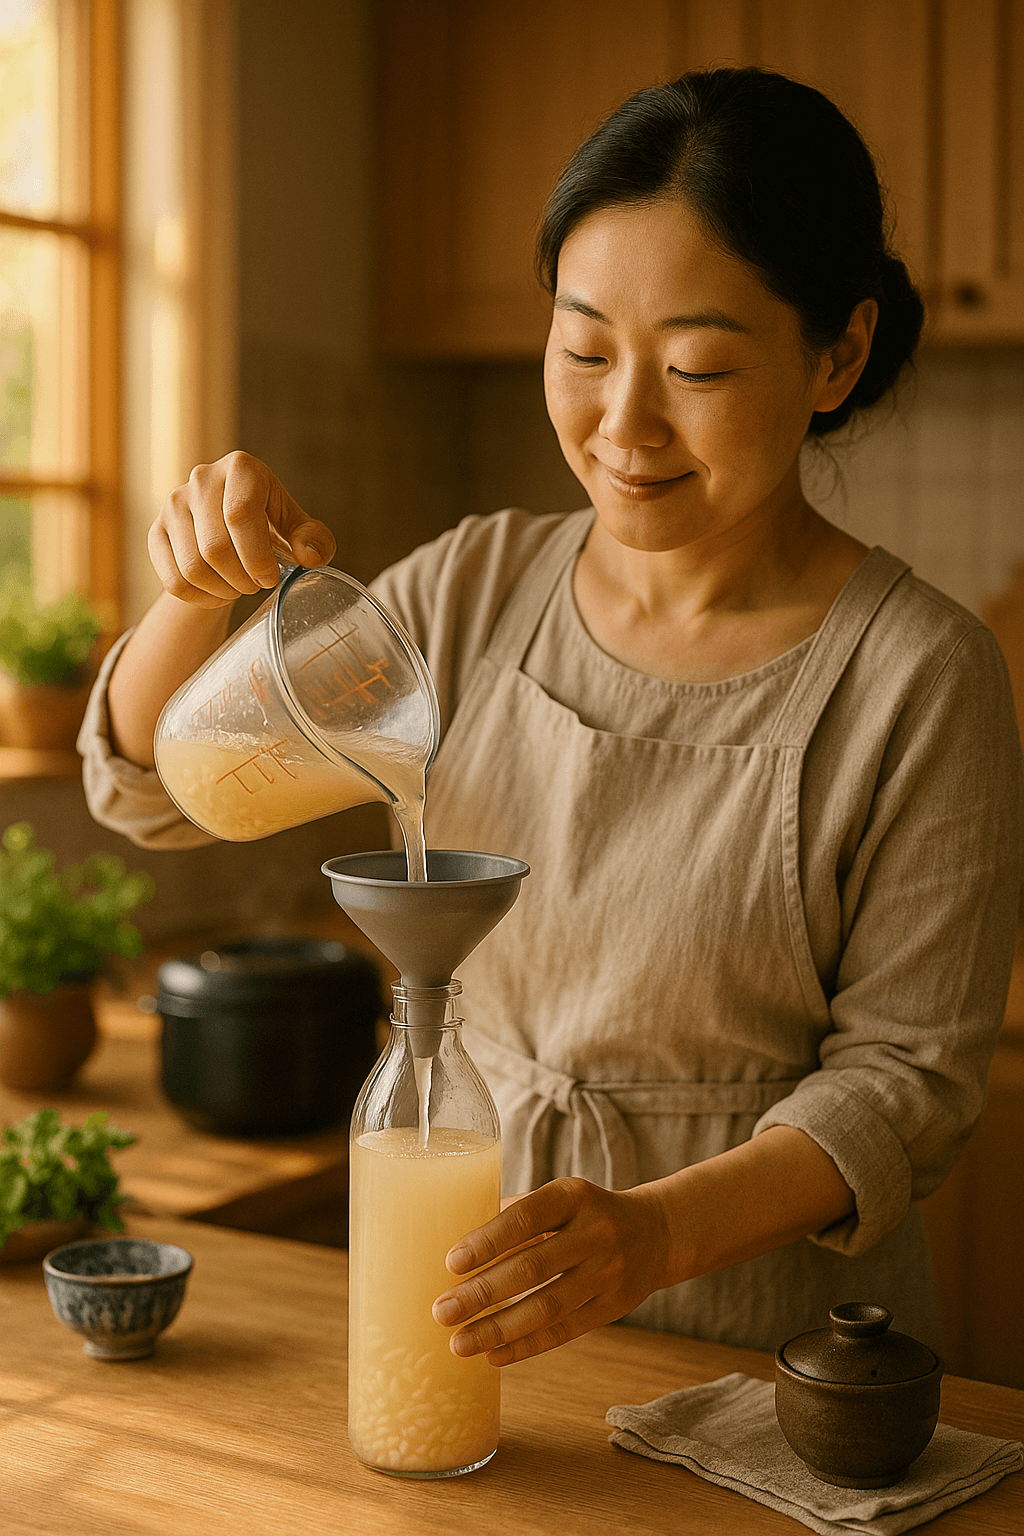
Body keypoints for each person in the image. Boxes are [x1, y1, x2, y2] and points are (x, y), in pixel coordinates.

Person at [81, 67, 1023, 1368]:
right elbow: (156, 789)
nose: (623, 424)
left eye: (695, 365)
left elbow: (905, 1087)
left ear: (838, 354)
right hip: (459, 1317)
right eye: (583, 351)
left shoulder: (919, 677)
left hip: (772, 1367)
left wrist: (651, 1236)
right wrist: (196, 594)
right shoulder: (474, 593)